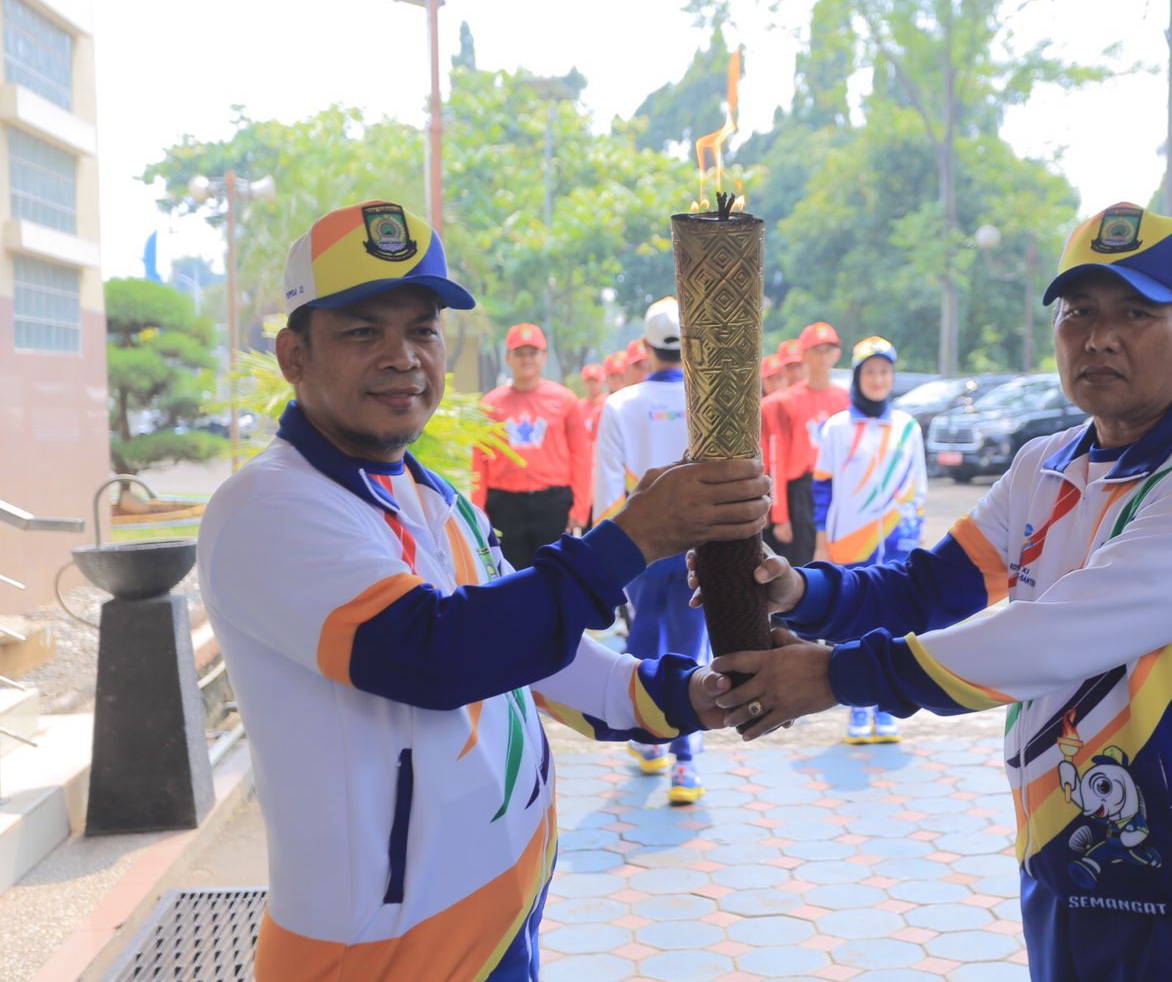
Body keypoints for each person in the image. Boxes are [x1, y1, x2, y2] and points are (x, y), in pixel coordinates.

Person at [708, 203, 1172, 981]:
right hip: (1062, 861)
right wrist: (797, 590)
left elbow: (1051, 639)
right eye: (1078, 311)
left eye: (1135, 313)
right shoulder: (1043, 466)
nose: (1098, 336)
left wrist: (833, 676)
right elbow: (929, 586)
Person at [196, 200, 769, 980]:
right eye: (363, 332)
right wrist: (631, 538)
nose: (403, 357)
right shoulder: (267, 508)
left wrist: (697, 694)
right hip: (377, 962)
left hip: (498, 933)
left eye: (422, 330)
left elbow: (532, 658)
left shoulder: (436, 501)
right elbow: (436, 655)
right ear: (294, 355)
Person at [592, 297, 713, 803]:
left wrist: (607, 560)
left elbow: (606, 493)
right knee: (691, 649)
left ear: (645, 347)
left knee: (643, 640)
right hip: (701, 546)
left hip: (640, 546)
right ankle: (686, 763)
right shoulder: (709, 403)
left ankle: (649, 738)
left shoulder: (620, 405)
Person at [812, 336, 927, 745]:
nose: (878, 379)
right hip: (849, 545)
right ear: (857, 377)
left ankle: (886, 708)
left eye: (884, 372)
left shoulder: (908, 428)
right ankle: (857, 707)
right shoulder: (837, 428)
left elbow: (918, 487)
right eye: (870, 372)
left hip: (896, 544)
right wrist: (822, 541)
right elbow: (822, 489)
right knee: (854, 624)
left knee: (893, 626)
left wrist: (914, 537)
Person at [472, 324, 592, 569]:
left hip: (554, 504)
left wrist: (581, 508)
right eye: (519, 353)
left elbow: (581, 456)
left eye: (532, 352)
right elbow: (479, 461)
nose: (526, 359)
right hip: (504, 506)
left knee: (556, 573)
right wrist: (478, 511)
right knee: (510, 574)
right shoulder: (490, 404)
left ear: (544, 356)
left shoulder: (565, 400)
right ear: (508, 357)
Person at [765, 322, 849, 565]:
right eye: (816, 350)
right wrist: (780, 516)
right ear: (805, 355)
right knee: (803, 565)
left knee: (840, 560)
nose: (822, 357)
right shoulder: (785, 402)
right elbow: (777, 459)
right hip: (802, 491)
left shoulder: (845, 399)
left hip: (837, 486)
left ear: (837, 354)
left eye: (828, 349)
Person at [577, 362, 607, 446]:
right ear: (583, 383)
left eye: (595, 381)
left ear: (603, 382)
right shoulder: (578, 407)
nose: (592, 385)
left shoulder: (608, 404)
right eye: (589, 381)